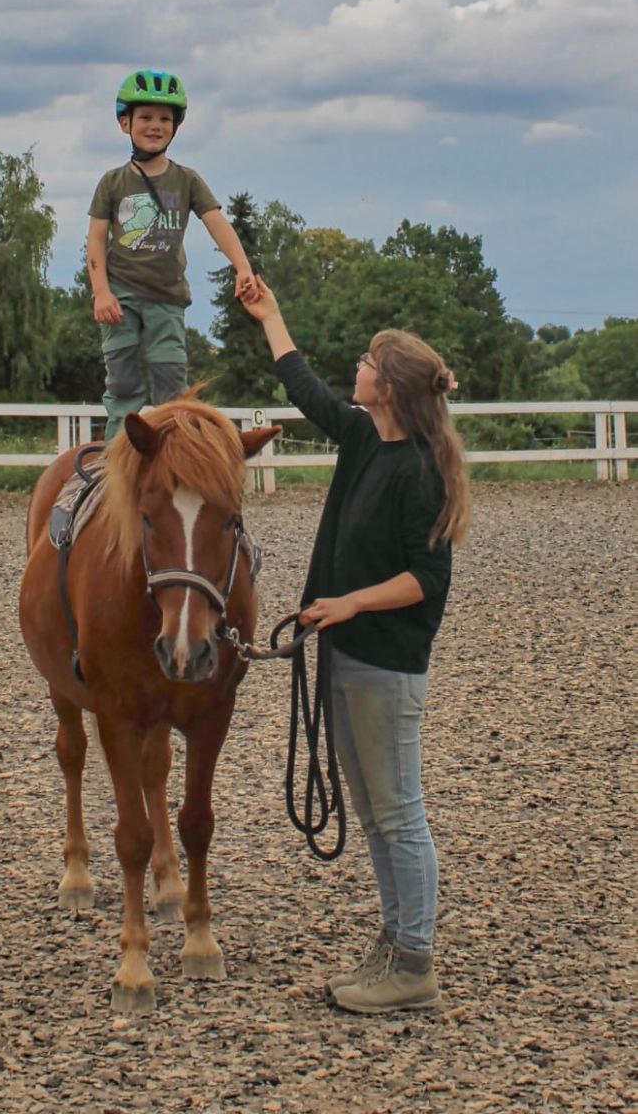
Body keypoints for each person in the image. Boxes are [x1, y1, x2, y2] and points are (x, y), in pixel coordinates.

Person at [242, 277, 470, 1014]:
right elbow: (305, 388)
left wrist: (346, 603)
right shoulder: (367, 438)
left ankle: (413, 963)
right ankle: (399, 941)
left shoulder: (418, 474)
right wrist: (270, 314)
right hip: (348, 657)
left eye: (369, 363)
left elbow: (424, 580)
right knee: (376, 814)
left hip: (383, 664)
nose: (358, 370)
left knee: (398, 812)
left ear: (390, 387)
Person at [87, 69, 258, 441]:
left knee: (172, 388)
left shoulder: (186, 180)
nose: (155, 125)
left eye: (165, 119)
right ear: (124, 123)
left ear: (175, 127)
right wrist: (101, 292)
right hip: (121, 297)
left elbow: (217, 222)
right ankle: (114, 461)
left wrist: (243, 267)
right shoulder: (113, 182)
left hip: (167, 298)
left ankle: (175, 454)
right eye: (145, 117)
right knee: (123, 385)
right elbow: (96, 240)